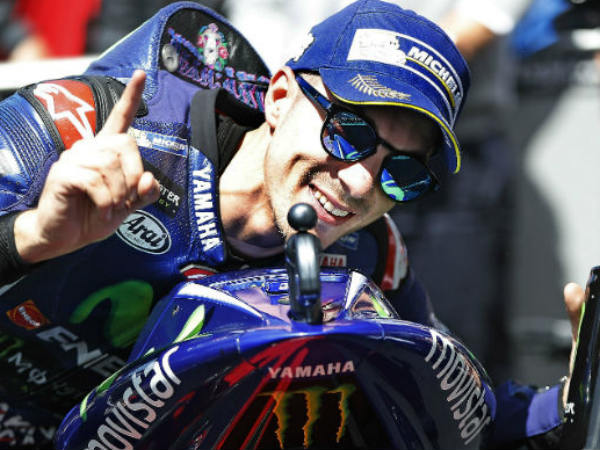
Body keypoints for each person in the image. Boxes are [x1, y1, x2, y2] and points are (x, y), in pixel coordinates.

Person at [0, 1, 585, 448]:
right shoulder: (77, 127)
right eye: (350, 132)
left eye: (402, 171)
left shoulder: (371, 257)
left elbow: (448, 413)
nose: (360, 183)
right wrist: (31, 237)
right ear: (280, 96)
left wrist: (577, 395)